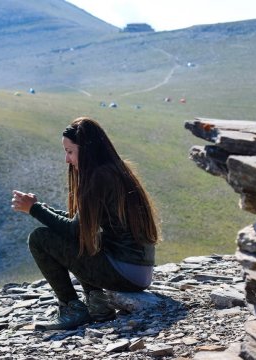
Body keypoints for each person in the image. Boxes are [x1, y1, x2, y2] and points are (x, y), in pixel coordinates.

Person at [11, 117, 161, 331]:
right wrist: (40, 207)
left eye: (70, 151)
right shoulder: (115, 170)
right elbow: (82, 223)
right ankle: (98, 305)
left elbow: (74, 231)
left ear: (87, 150)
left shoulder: (99, 178)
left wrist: (34, 209)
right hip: (138, 271)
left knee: (39, 238)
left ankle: (72, 308)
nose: (67, 159)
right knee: (91, 238)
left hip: (126, 273)